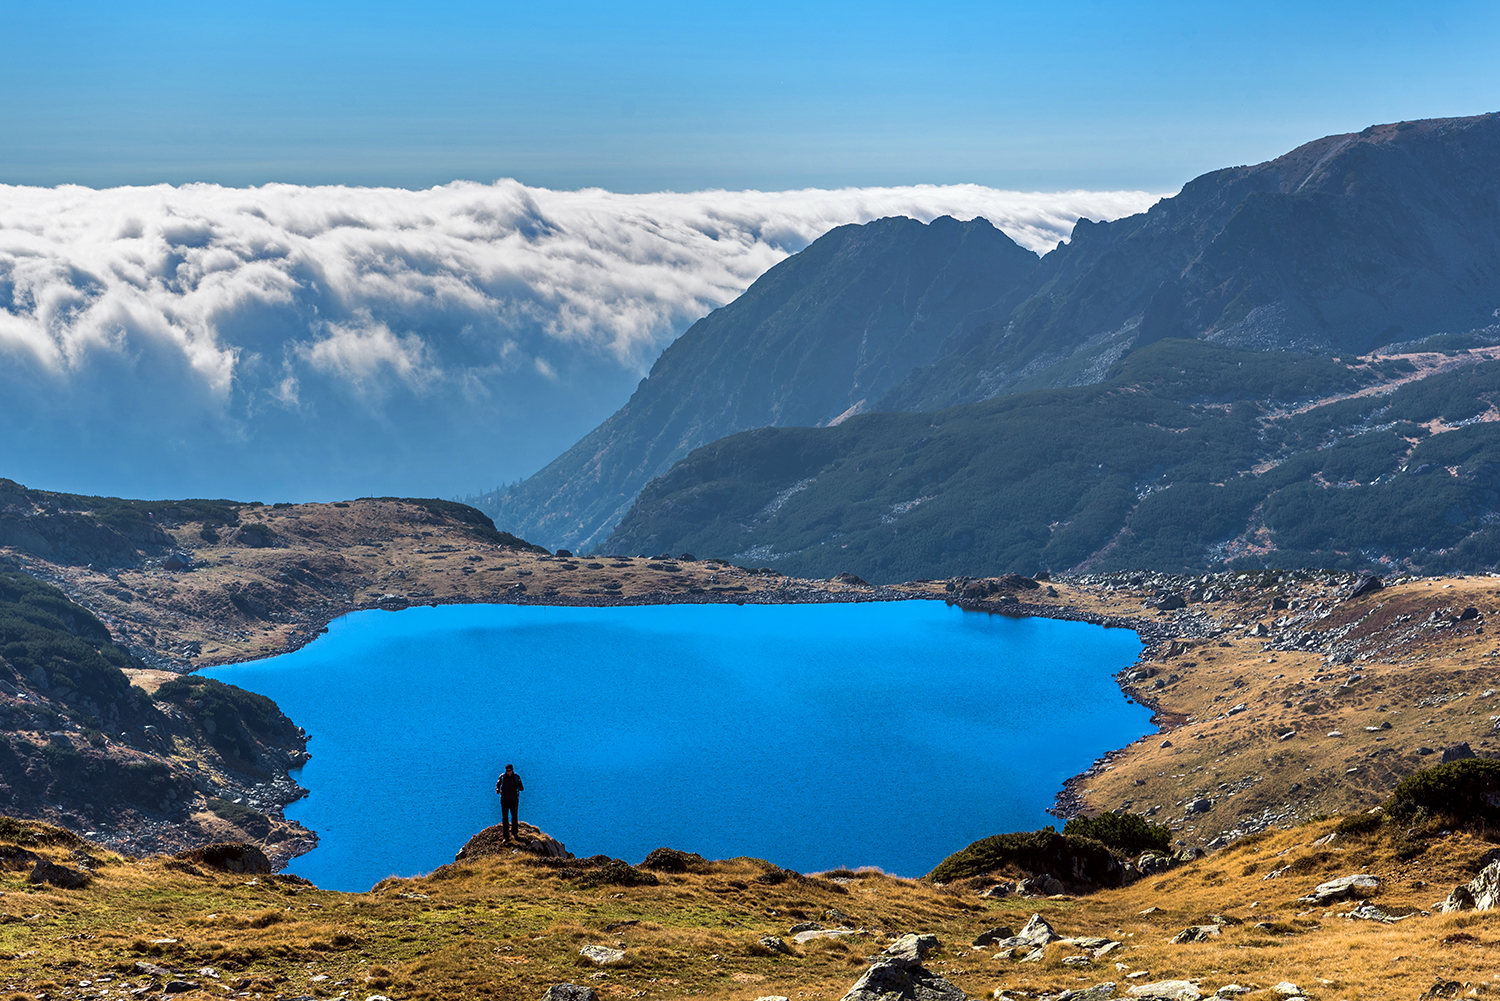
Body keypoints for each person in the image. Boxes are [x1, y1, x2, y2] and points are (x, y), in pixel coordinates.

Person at [495, 763, 523, 840]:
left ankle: (515, 833)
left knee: (514, 817)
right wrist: (497, 790)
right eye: (507, 770)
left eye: (509, 770)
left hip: (514, 800)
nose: (508, 772)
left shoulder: (516, 777)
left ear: (512, 770)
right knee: (505, 818)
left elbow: (521, 787)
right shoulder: (502, 777)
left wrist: (519, 787)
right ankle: (506, 836)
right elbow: (497, 785)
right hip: (504, 800)